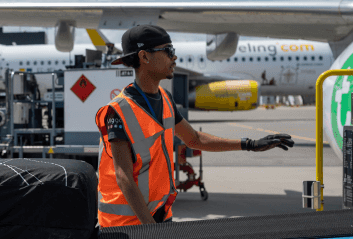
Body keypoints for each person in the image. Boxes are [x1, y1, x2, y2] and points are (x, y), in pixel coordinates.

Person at [95, 25, 294, 227]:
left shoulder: (164, 98)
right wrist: (150, 230)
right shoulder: (118, 111)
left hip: (159, 216)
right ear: (145, 57)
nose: (175, 58)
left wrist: (250, 144)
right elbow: (123, 176)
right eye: (169, 51)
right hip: (126, 225)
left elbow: (194, 140)